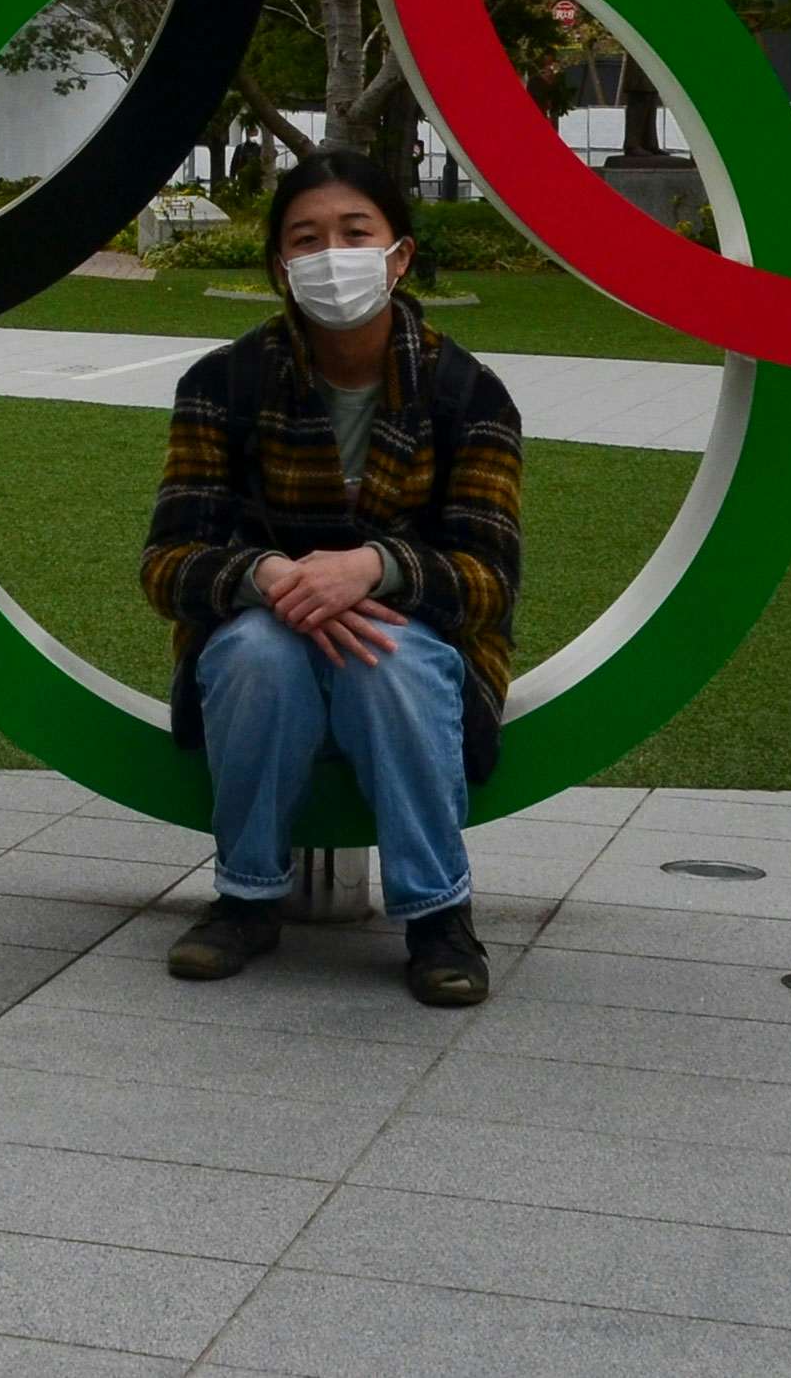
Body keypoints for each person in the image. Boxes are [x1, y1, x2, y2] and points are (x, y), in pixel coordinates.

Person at [143, 149, 523, 1009]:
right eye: (305, 239)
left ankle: (438, 914)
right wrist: (273, 577)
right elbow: (167, 563)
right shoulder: (223, 384)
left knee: (385, 658)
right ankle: (245, 897)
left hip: (410, 633)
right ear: (280, 265)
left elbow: (489, 577)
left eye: (355, 233)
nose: (331, 256)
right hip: (261, 616)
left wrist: (373, 569)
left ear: (399, 254)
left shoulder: (467, 393)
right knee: (258, 655)